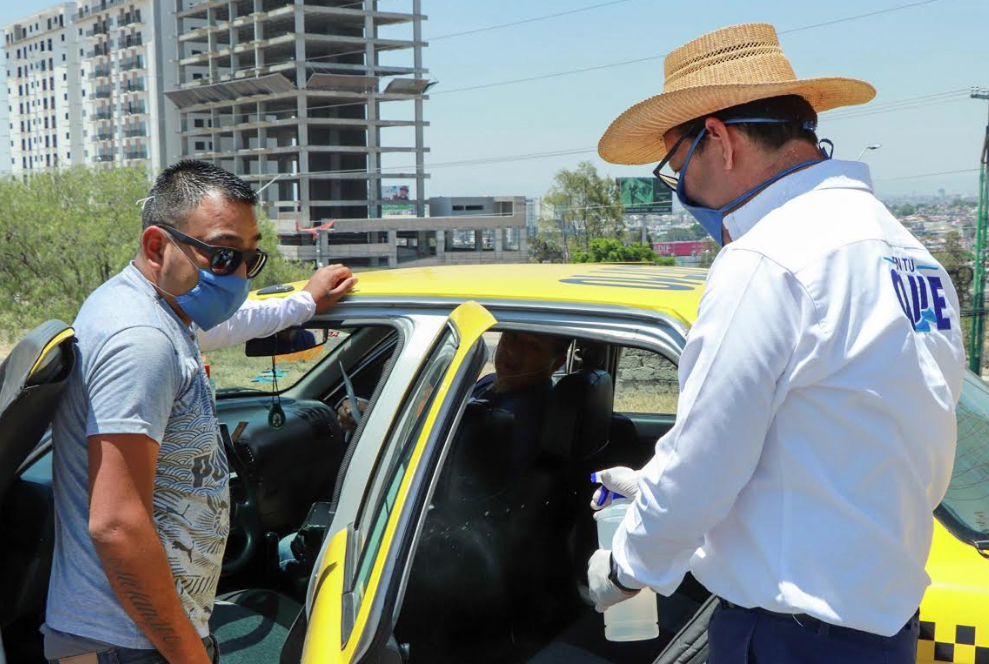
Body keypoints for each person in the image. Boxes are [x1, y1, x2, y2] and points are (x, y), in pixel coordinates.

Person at [587, 23, 965, 664]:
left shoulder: (767, 259)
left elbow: (707, 460)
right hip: (879, 631)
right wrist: (656, 483)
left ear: (718, 139)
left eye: (677, 168)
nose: (683, 192)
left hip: (790, 638)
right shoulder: (909, 253)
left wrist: (626, 566)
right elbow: (838, 431)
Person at [43, 159, 356, 664]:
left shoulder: (155, 309)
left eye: (250, 258)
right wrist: (190, 656)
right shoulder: (141, 340)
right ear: (156, 246)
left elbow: (230, 323)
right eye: (224, 255)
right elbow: (117, 524)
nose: (238, 276)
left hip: (141, 636)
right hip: (129, 642)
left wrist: (303, 303)